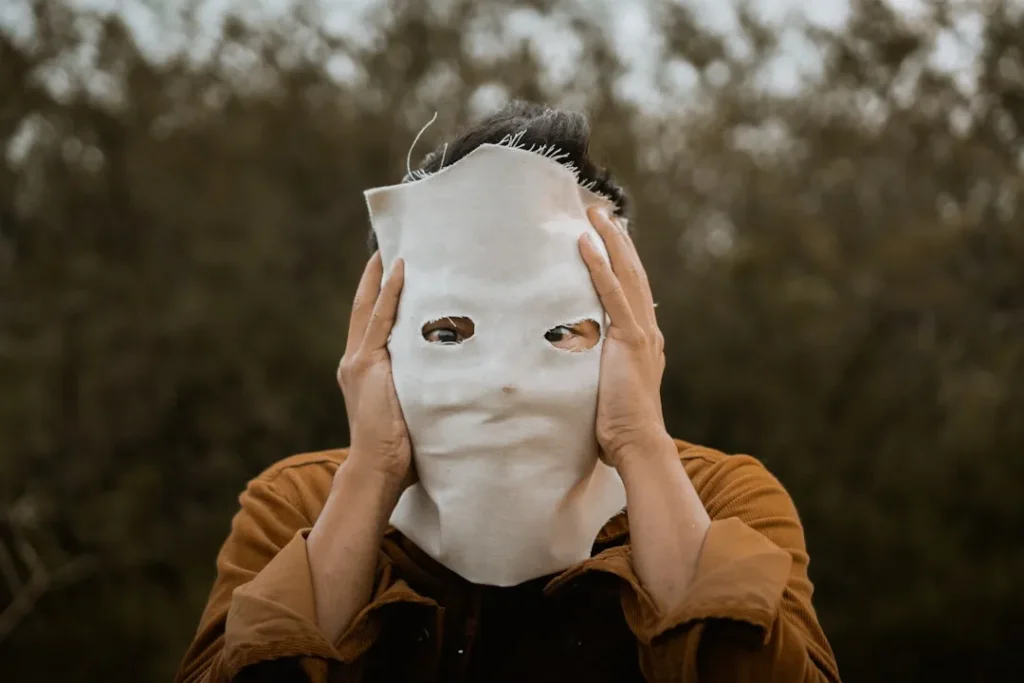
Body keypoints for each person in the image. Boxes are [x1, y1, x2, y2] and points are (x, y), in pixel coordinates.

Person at [174, 102, 840, 683]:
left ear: (629, 331)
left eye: (559, 330)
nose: (503, 381)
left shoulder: (724, 499)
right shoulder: (298, 506)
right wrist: (371, 473)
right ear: (380, 336)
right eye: (447, 331)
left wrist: (640, 443)